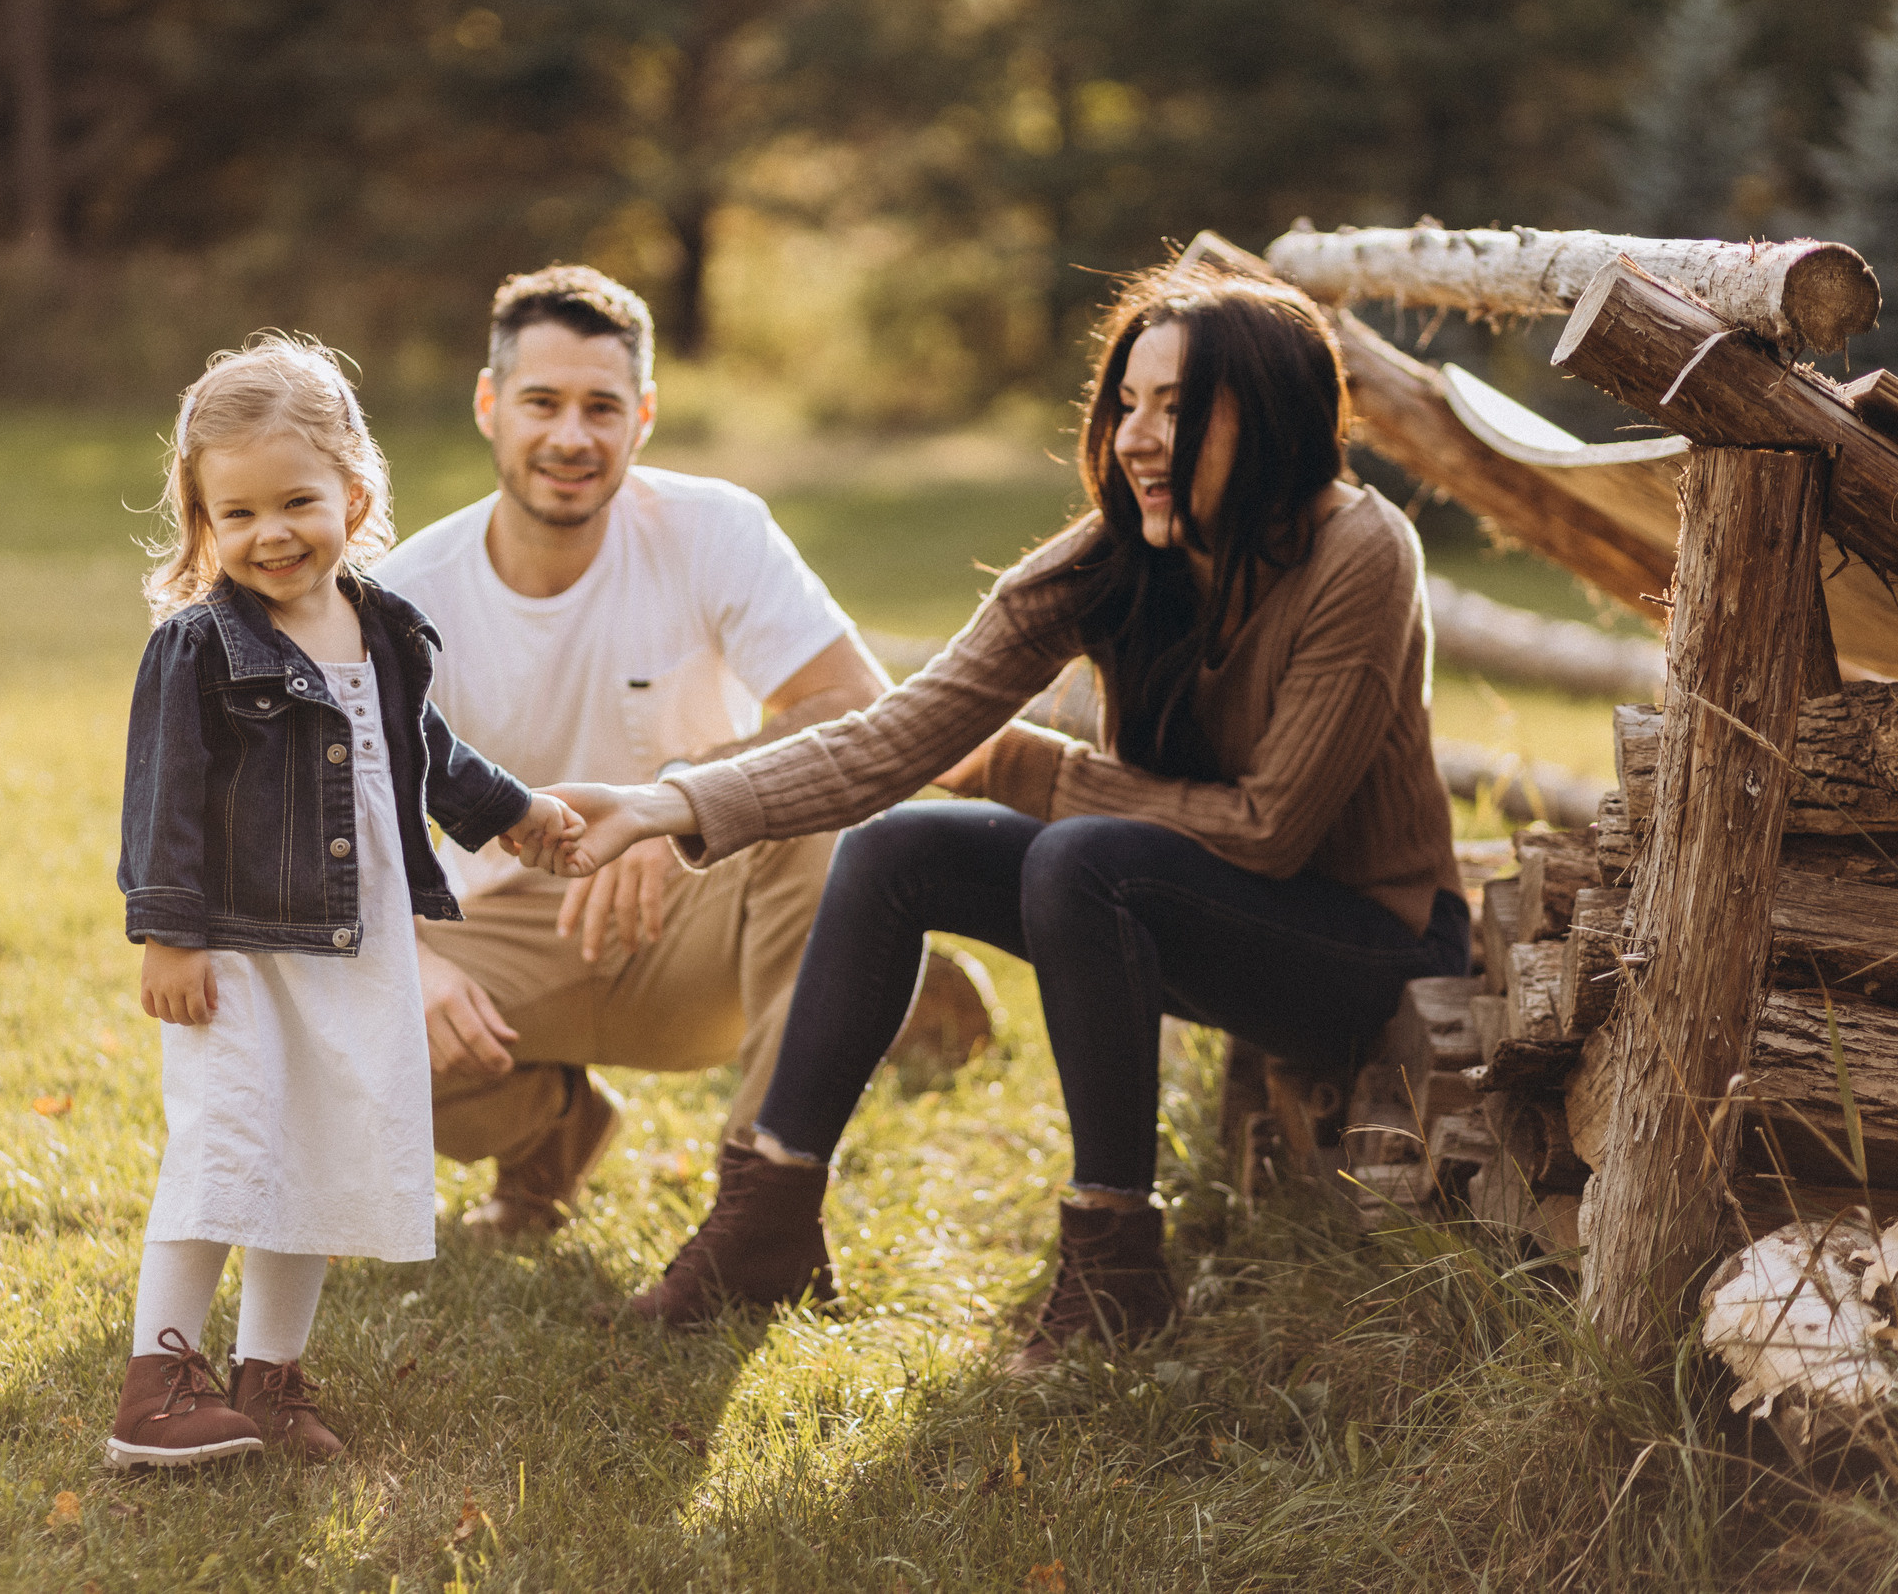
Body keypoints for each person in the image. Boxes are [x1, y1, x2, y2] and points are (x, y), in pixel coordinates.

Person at [548, 265, 1471, 1365]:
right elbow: (893, 739)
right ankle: (768, 1223)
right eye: (1125, 404)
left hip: (1365, 944)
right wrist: (664, 805)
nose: (1135, 437)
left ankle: (1116, 1267)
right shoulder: (1116, 555)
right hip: (1187, 904)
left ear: (1266, 417)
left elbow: (1273, 828)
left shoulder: (1358, 553)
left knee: (1083, 859)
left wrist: (1042, 776)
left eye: (1177, 409)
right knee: (897, 848)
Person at [107, 334, 586, 1470]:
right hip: (237, 953)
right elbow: (161, 797)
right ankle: (158, 1386)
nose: (270, 533)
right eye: (236, 514)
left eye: (297, 501)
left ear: (354, 494)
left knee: (316, 1158)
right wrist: (168, 933)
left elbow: (422, 753)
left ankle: (270, 1380)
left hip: (353, 946)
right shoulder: (197, 648)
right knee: (226, 1155)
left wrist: (516, 813)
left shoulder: (385, 630)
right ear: (200, 521)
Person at [373, 266, 895, 1236]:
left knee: (829, 823)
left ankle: (762, 1204)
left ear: (643, 417)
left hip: (694, 908)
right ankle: (553, 1132)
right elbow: (327, 823)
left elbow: (858, 706)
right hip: (505, 931)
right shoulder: (404, 598)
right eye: (541, 402)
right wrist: (406, 961)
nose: (571, 436)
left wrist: (679, 803)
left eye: (601, 407)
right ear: (490, 406)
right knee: (334, 1017)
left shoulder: (715, 528)